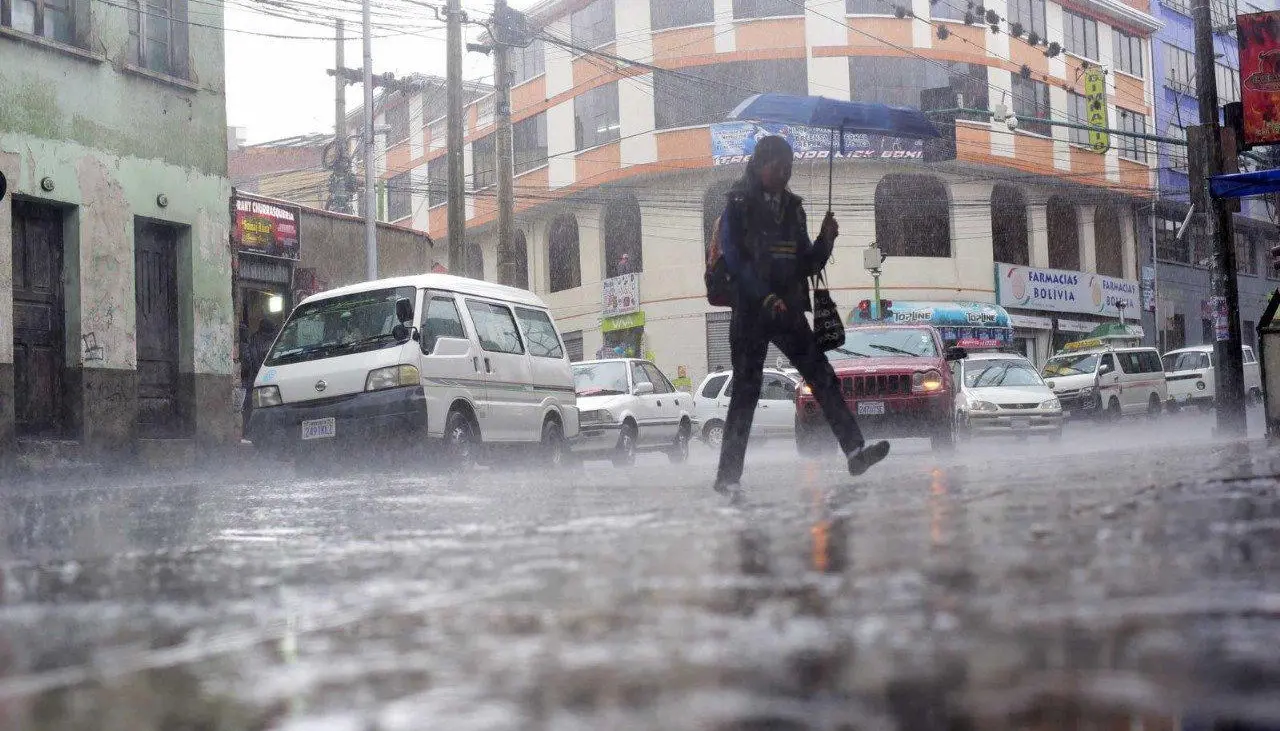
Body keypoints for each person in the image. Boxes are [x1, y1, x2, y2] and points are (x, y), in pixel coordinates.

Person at [714, 135, 890, 496]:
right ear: (760, 165)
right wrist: (764, 297)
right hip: (751, 312)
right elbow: (735, 259)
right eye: (778, 166)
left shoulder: (794, 209)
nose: (785, 173)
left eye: (789, 167)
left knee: (822, 376)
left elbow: (806, 264)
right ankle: (727, 477)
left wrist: (826, 241)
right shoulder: (738, 203)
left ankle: (855, 451)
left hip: (790, 310)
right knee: (746, 391)